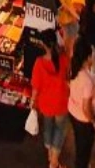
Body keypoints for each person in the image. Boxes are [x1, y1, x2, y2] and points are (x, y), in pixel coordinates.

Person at [30, 29, 70, 168]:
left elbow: (35, 87)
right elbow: (67, 77)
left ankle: (51, 158)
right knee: (60, 130)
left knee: (47, 127)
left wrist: (32, 102)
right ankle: (54, 161)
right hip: (61, 102)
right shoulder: (64, 59)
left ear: (44, 45)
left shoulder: (39, 63)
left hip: (45, 103)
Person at [68, 42, 95, 168]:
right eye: (91, 56)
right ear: (87, 58)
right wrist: (93, 121)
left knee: (79, 143)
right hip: (83, 120)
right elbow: (86, 108)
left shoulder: (73, 68)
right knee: (84, 151)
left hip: (73, 112)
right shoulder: (88, 80)